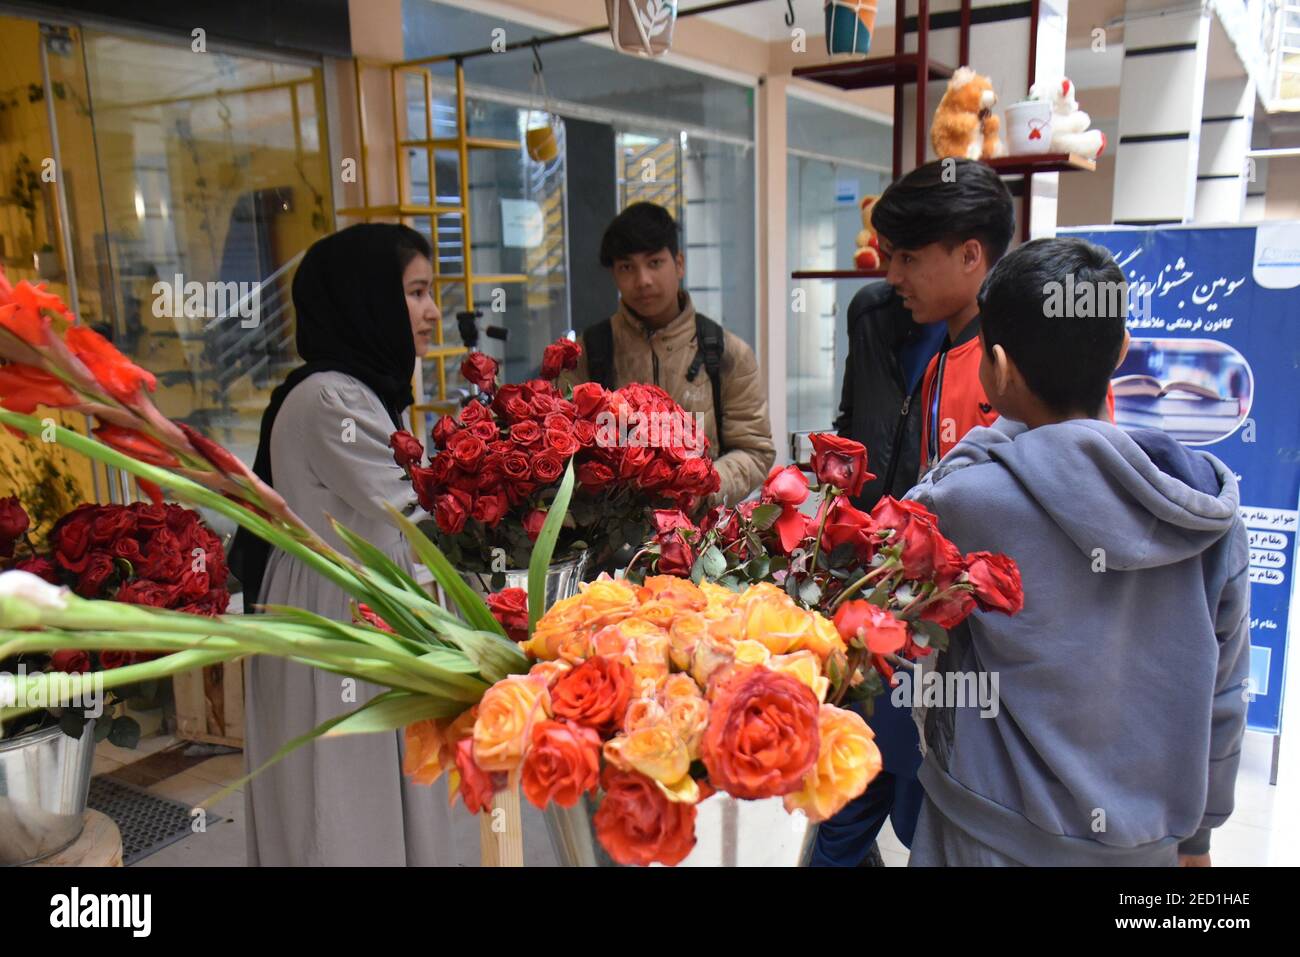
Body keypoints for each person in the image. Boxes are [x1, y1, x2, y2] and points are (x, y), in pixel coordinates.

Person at [906, 237, 1249, 866]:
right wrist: (1196, 838)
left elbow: (902, 609)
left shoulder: (966, 503)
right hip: (1144, 849)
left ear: (999, 370)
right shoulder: (1206, 510)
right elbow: (1223, 696)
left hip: (984, 836)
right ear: (1120, 352)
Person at [228, 223, 455, 866]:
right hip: (338, 610)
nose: (431, 311)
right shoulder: (333, 397)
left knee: (371, 790)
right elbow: (414, 509)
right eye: (414, 293)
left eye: (428, 292)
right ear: (367, 299)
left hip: (360, 603)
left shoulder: (364, 389)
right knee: (346, 798)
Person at [812, 159, 1014, 867]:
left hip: (987, 651)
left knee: (924, 815)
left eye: (907, 257)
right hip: (921, 632)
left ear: (970, 254)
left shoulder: (1018, 361)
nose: (891, 274)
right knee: (874, 804)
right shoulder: (935, 357)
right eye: (888, 254)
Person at [565, 202, 775, 508]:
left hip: (699, 538)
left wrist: (700, 487)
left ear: (679, 263)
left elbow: (755, 451)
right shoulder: (588, 352)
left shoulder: (727, 352)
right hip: (609, 542)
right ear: (614, 274)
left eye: (654, 262)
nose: (643, 280)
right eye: (627, 267)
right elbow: (564, 451)